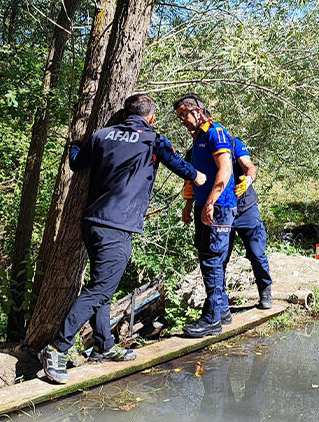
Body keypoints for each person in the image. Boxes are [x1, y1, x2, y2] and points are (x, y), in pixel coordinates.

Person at [38, 94, 206, 384]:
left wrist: (75, 144)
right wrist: (198, 176)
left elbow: (77, 163)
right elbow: (180, 166)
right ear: (150, 117)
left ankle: (103, 346)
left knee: (100, 286)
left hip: (92, 222)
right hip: (117, 226)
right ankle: (56, 349)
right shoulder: (153, 140)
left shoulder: (102, 135)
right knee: (101, 289)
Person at [173, 93, 237, 338]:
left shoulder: (215, 133)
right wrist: (191, 206)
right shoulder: (199, 138)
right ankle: (221, 311)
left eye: (183, 115)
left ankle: (211, 320)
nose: (182, 121)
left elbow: (226, 168)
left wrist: (211, 202)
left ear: (197, 111)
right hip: (205, 206)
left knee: (212, 259)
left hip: (219, 206)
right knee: (208, 258)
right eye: (179, 117)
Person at [184, 136, 273, 310]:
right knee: (219, 258)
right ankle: (220, 303)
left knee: (257, 253)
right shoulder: (194, 151)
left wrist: (248, 180)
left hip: (245, 207)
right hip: (220, 212)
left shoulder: (232, 143)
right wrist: (188, 205)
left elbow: (249, 166)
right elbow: (191, 183)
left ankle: (265, 291)